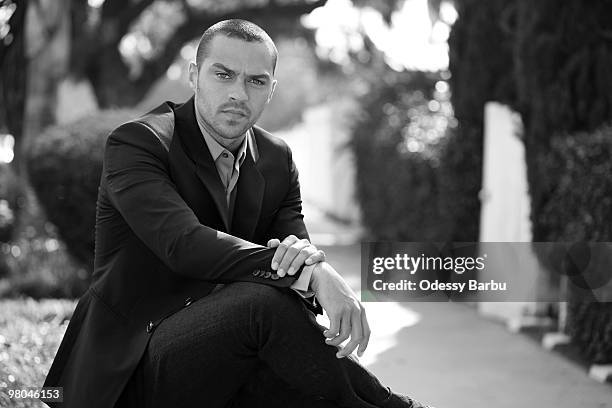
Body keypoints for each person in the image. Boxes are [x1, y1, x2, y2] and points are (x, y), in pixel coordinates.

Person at [43, 19, 434, 408]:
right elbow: (184, 244)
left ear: (271, 90)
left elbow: (294, 252)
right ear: (194, 76)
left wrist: (314, 267)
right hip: (134, 363)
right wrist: (315, 273)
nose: (238, 93)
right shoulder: (140, 143)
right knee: (261, 305)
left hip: (231, 357)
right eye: (223, 75)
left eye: (256, 81)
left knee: (295, 374)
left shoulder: (276, 159)